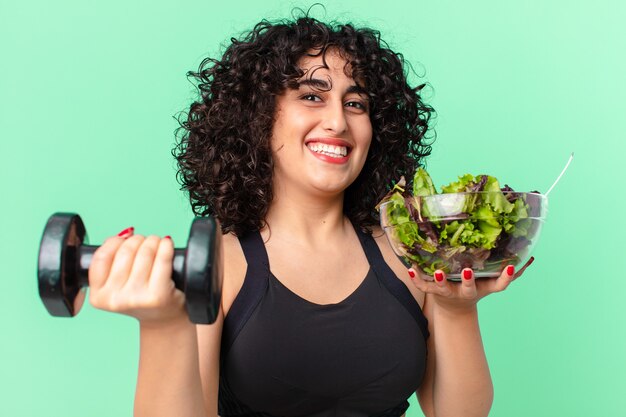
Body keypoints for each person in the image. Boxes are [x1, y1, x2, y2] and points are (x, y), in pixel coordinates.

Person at [87, 14, 529, 417]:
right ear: (260, 116)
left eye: (355, 104)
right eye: (312, 96)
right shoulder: (222, 263)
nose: (337, 121)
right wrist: (163, 324)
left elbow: (460, 414)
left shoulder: (409, 248)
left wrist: (456, 310)